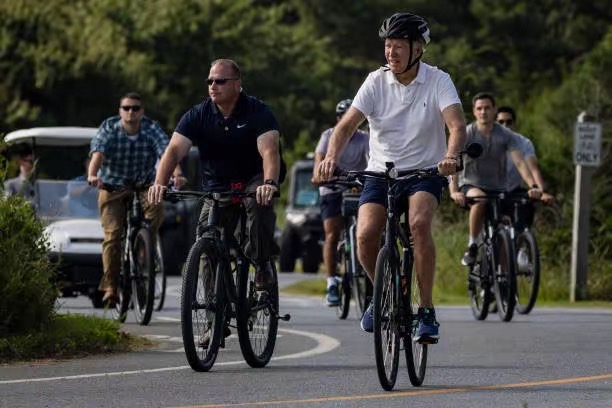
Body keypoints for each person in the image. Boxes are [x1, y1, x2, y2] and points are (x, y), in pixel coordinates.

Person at [317, 12, 466, 343]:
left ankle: (425, 311)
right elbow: (346, 126)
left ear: (418, 49)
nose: (391, 53)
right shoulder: (375, 81)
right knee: (365, 235)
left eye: (399, 46)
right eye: (387, 46)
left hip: (425, 173)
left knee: (418, 224)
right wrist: (330, 158)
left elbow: (456, 126)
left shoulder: (438, 80)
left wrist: (451, 157)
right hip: (380, 172)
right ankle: (384, 291)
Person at [148, 59, 284, 294]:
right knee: (207, 239)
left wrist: (269, 183)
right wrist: (159, 183)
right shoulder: (198, 115)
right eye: (209, 81)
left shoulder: (258, 111)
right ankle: (215, 312)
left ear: (237, 84)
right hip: (217, 184)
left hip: (255, 176)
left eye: (220, 81)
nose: (213, 85)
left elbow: (270, 151)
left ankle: (262, 264)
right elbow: (173, 151)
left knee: (258, 203)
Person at [88, 92, 186, 305]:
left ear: (142, 111)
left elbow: (167, 152)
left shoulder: (151, 128)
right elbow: (98, 154)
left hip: (144, 184)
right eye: (126, 108)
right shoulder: (109, 128)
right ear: (120, 111)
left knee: (156, 205)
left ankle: (145, 246)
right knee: (113, 235)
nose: (130, 112)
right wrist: (93, 174)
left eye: (135, 108)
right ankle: (111, 287)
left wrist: (177, 173)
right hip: (112, 186)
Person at [449, 93, 542, 266]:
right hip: (471, 184)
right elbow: (453, 162)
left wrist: (533, 186)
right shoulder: (467, 133)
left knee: (506, 231)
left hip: (499, 189)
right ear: (474, 112)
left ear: (494, 111)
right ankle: (473, 244)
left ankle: (503, 282)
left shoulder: (506, 135)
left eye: (487, 108)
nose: (483, 112)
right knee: (480, 200)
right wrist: (454, 191)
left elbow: (520, 162)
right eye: (479, 108)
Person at [311, 99, 369, 307]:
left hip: (356, 187)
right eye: (343, 116)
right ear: (338, 119)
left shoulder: (365, 138)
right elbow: (319, 161)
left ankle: (370, 277)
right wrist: (319, 174)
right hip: (332, 187)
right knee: (332, 234)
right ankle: (332, 282)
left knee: (369, 229)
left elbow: (371, 161)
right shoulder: (328, 136)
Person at [497, 106, 555, 206]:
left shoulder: (524, 143)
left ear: (514, 124)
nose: (505, 125)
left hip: (513, 191)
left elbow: (533, 169)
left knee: (527, 209)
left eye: (509, 122)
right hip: (490, 191)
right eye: (501, 122)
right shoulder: (487, 141)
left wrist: (540, 191)